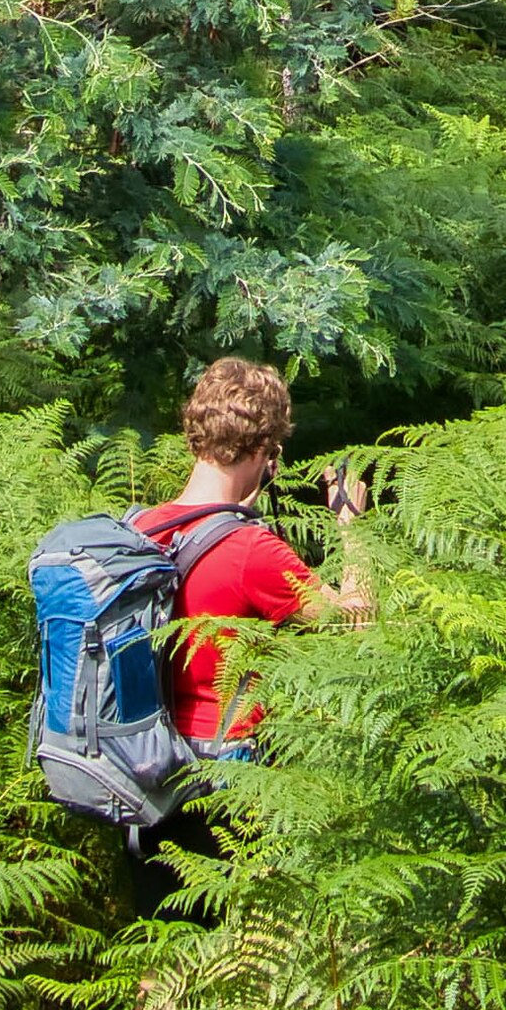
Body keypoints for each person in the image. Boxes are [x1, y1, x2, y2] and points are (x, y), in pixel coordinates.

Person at [120, 356, 370, 912]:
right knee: (239, 960)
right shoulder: (250, 551)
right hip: (224, 778)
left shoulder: (137, 529)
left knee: (161, 953)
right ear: (266, 451)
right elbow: (355, 620)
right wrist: (351, 523)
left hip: (140, 772)